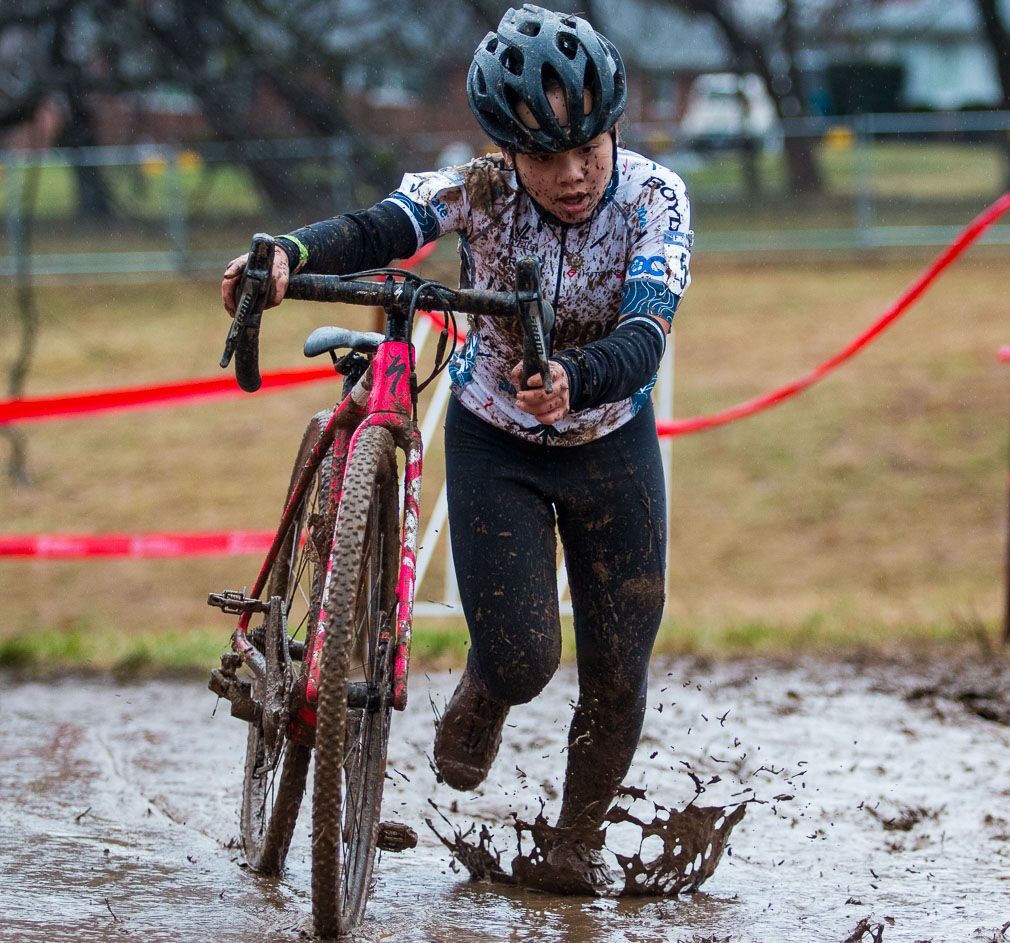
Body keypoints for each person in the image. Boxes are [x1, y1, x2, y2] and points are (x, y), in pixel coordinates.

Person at [221, 3, 692, 895]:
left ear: (616, 129)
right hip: (498, 439)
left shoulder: (654, 198)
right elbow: (382, 226)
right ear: (508, 152)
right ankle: (486, 690)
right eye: (545, 156)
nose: (573, 173)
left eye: (589, 147)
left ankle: (573, 842)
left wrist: (577, 376)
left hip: (609, 440)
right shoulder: (477, 188)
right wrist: (288, 253)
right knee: (522, 657)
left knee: (620, 669)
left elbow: (646, 331)